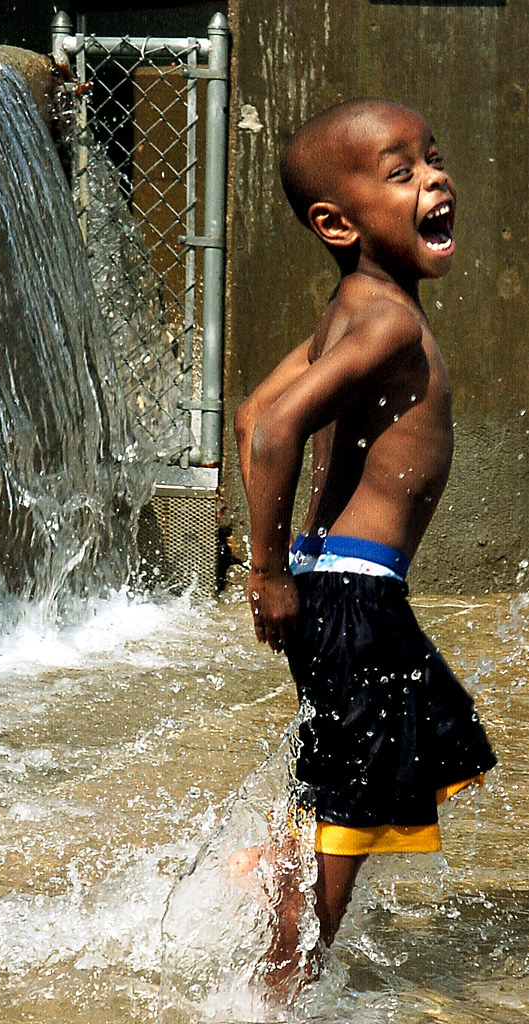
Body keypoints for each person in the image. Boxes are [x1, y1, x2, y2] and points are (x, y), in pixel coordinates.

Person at [232, 98, 497, 988]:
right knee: (356, 806)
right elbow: (272, 435)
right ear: (336, 222)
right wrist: (267, 572)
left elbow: (250, 414)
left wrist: (290, 564)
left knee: (417, 749)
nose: (433, 179)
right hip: (355, 597)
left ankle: (268, 875)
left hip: (339, 586)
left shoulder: (351, 308)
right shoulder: (384, 322)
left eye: (433, 157)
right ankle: (280, 990)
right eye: (402, 172)